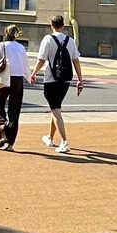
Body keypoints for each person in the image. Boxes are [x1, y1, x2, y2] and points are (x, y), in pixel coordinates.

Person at [30, 13, 83, 153]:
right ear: (63, 26)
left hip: (51, 79)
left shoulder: (48, 39)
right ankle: (50, 137)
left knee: (56, 110)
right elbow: (76, 61)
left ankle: (65, 142)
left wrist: (33, 73)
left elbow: (41, 60)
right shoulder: (70, 41)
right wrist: (80, 79)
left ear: (51, 25)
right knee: (56, 107)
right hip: (65, 80)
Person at [0, 25, 31, 151]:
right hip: (18, 79)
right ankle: (11, 144)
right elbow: (25, 64)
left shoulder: (2, 45)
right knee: (14, 110)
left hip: (5, 78)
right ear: (17, 34)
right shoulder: (21, 47)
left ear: (6, 33)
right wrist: (29, 77)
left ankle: (2, 130)